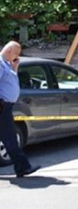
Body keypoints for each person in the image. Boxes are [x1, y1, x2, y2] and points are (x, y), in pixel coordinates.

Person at [0, 41, 41, 177]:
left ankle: (22, 167)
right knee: (10, 138)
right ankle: (22, 167)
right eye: (17, 53)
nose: (18, 56)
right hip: (2, 106)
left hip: (6, 106)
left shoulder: (7, 64)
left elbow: (10, 82)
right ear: (10, 51)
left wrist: (15, 67)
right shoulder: (0, 63)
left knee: (8, 137)